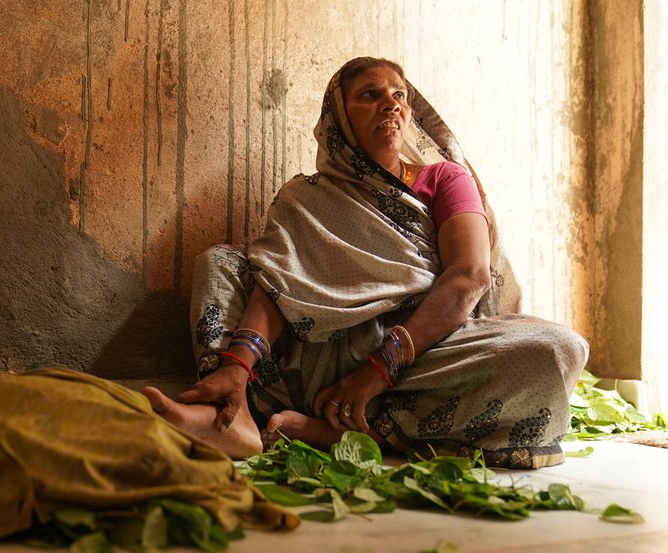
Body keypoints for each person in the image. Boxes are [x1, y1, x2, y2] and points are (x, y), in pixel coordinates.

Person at [143, 57, 589, 469]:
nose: (390, 105)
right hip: (311, 354)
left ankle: (347, 432)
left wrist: (380, 368)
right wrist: (237, 367)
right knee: (218, 262)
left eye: (399, 95)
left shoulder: (443, 178)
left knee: (555, 350)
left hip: (415, 356)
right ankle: (233, 412)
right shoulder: (310, 198)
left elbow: (469, 276)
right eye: (370, 95)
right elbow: (279, 285)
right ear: (338, 118)